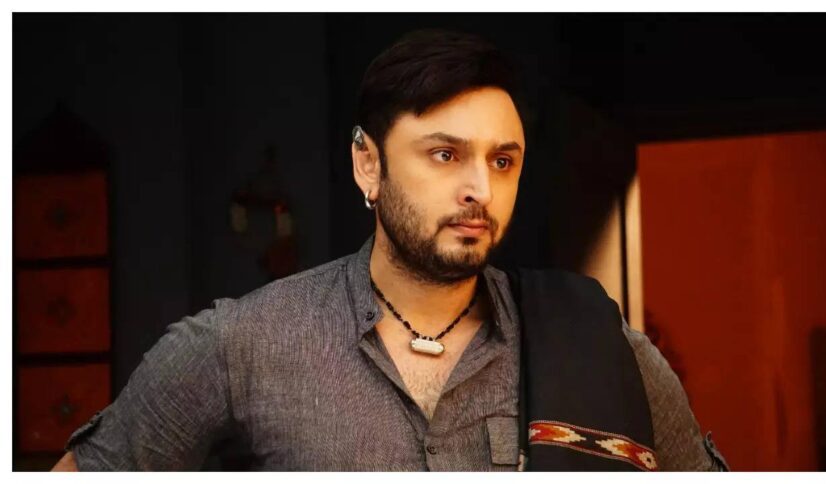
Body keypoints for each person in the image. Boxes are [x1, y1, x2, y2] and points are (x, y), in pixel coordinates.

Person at [52, 29, 728, 472]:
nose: (480, 188)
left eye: (502, 161)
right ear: (367, 165)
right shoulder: (239, 347)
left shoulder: (601, 349)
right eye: (445, 155)